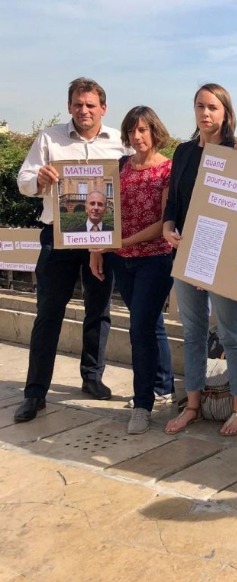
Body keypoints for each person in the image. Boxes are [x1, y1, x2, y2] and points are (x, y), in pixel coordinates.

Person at [13, 77, 128, 423]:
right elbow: (23, 181)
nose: (84, 110)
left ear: (103, 108)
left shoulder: (120, 143)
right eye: (78, 104)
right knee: (48, 313)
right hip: (57, 237)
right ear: (69, 106)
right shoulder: (49, 138)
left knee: (99, 310)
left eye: (91, 105)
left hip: (101, 240)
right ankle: (35, 392)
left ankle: (92, 377)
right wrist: (39, 179)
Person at [162, 83, 237, 437]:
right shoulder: (183, 152)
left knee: (231, 334)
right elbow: (173, 203)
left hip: (223, 257)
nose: (205, 113)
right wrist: (167, 227)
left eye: (213, 107)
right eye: (200, 106)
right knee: (193, 333)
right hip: (187, 254)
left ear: (225, 112)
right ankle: (193, 405)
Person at [89, 106, 175, 434]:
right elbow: (105, 212)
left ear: (154, 131)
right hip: (120, 260)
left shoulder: (167, 169)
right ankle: (163, 386)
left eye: (142, 130)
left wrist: (121, 242)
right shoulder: (121, 166)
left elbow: (164, 222)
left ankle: (142, 404)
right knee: (150, 323)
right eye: (131, 131)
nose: (136, 136)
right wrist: (97, 250)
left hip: (154, 259)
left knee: (139, 328)